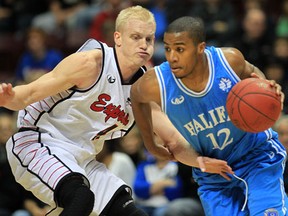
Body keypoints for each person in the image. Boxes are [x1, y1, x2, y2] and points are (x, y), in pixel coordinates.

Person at [0, 6, 232, 216]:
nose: (144, 44)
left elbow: (173, 140)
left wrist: (201, 161)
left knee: (129, 211)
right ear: (118, 38)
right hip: (36, 142)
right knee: (82, 198)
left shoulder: (143, 90)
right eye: (136, 37)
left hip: (81, 159)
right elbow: (28, 94)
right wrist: (8, 97)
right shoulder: (90, 63)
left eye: (149, 39)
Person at [130, 16, 288, 216]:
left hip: (256, 156)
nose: (171, 57)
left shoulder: (229, 60)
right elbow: (135, 97)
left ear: (200, 48)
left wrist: (269, 91)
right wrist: (150, 145)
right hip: (214, 175)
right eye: (168, 49)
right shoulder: (156, 83)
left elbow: (253, 72)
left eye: (179, 49)